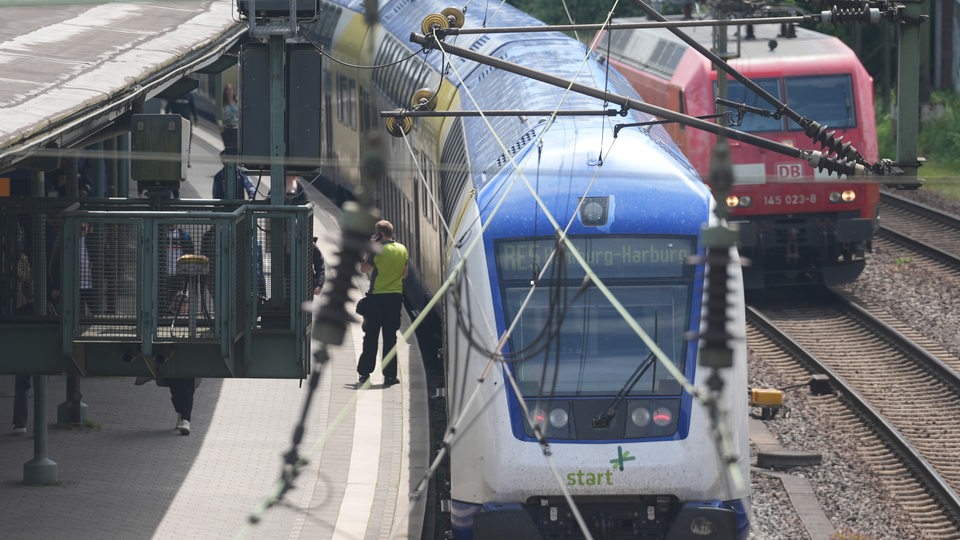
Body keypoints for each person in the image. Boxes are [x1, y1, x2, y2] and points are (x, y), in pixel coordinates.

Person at [356, 220, 408, 387]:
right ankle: (390, 376)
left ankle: (365, 373)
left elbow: (363, 269)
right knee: (390, 338)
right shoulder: (402, 249)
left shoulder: (377, 250)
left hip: (376, 299)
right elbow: (405, 274)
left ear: (380, 234)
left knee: (371, 337)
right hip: (395, 299)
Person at [12, 235, 34, 434]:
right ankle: (20, 422)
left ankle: (20, 421)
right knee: (24, 375)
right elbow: (29, 288)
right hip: (23, 315)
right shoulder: (23, 260)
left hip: (11, 317)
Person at [166, 90, 198, 167]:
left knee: (187, 142)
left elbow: (193, 107)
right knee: (176, 141)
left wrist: (196, 118)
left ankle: (186, 160)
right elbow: (168, 107)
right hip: (176, 123)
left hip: (187, 122)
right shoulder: (174, 95)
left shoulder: (189, 95)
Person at [219, 83, 239, 151]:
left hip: (236, 129)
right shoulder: (223, 103)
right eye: (228, 90)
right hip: (226, 129)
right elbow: (219, 115)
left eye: (231, 90)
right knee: (228, 148)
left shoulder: (237, 102)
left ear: (233, 91)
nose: (230, 92)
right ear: (225, 92)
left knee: (235, 147)